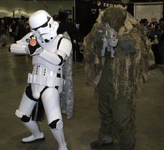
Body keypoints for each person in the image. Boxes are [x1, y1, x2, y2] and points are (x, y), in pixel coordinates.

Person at [83, 7, 154, 150]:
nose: (112, 22)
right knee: (104, 111)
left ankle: (128, 144)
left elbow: (143, 54)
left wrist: (119, 43)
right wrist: (99, 40)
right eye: (109, 19)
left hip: (123, 81)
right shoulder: (99, 30)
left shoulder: (132, 33)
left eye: (115, 19)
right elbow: (89, 50)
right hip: (104, 78)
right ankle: (106, 137)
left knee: (123, 116)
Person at [9, 10, 73, 150]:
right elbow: (12, 47)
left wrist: (39, 51)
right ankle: (37, 134)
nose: (38, 34)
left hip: (51, 85)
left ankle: (63, 146)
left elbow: (58, 60)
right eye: (34, 30)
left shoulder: (63, 41)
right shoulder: (34, 37)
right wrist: (28, 48)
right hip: (34, 83)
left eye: (40, 29)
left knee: (55, 122)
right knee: (23, 116)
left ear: (50, 23)